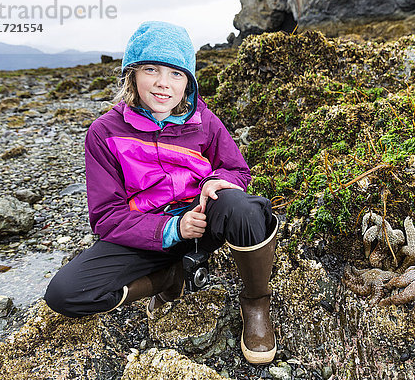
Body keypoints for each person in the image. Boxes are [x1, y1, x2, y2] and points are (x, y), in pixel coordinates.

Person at [44, 21, 278, 365]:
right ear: (132, 74)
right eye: (151, 69)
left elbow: (238, 170)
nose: (163, 84)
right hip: (144, 235)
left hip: (203, 225)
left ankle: (256, 302)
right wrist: (172, 229)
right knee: (66, 294)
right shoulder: (102, 132)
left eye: (176, 73)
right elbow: (106, 218)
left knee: (244, 208)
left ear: (188, 82)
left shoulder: (204, 120)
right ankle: (167, 277)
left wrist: (218, 180)